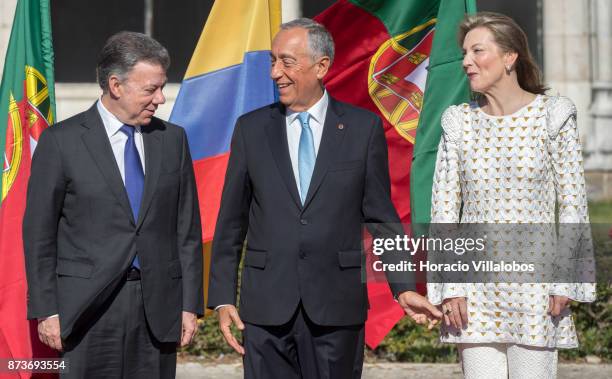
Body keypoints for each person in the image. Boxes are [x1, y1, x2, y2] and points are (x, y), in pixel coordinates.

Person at [207, 18, 442, 379]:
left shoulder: (363, 129)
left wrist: (403, 288)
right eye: (273, 61)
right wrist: (223, 297)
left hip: (337, 308)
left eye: (287, 61)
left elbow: (382, 219)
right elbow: (231, 223)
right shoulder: (251, 129)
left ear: (321, 67)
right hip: (266, 309)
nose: (275, 72)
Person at [23, 31, 203, 378]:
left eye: (162, 87)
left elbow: (187, 230)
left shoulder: (173, 140)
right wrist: (47, 310)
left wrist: (189, 304)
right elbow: (39, 234)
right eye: (151, 89)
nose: (161, 98)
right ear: (116, 85)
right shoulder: (61, 142)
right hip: (86, 309)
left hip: (158, 308)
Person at [427, 12, 596, 379]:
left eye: (477, 51)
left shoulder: (554, 115)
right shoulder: (458, 122)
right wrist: (451, 287)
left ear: (509, 57)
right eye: (464, 53)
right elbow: (443, 211)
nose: (466, 61)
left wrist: (565, 279)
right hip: (474, 294)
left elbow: (572, 204)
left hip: (536, 290)